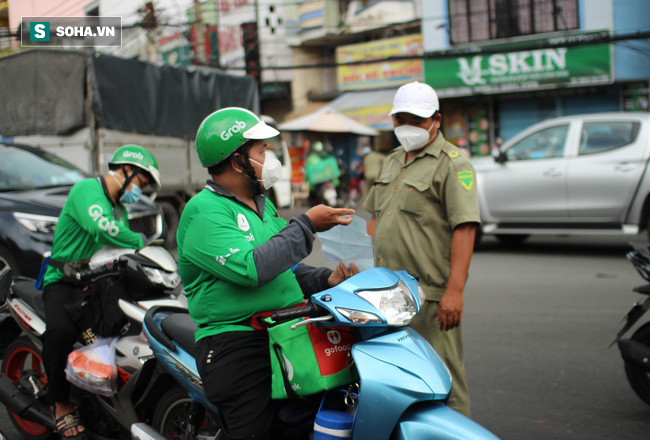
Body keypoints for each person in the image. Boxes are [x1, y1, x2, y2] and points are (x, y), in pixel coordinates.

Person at [178, 107, 358, 440]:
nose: (270, 156)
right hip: (236, 342)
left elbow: (283, 268)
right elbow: (253, 268)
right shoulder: (204, 211)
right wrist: (305, 225)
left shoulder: (263, 205)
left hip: (284, 334)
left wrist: (325, 279)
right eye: (262, 150)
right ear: (237, 161)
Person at [362, 82, 480, 417]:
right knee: (398, 374)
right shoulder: (392, 160)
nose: (407, 127)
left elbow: (465, 228)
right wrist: (361, 271)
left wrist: (455, 291)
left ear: (436, 120)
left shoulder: (453, 164)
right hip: (386, 291)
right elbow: (375, 220)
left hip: (428, 294)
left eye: (416, 119)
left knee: (444, 376)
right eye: (401, 119)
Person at [42, 144, 161, 439]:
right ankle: (60, 403)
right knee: (60, 333)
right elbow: (102, 229)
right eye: (141, 182)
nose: (140, 190)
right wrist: (140, 240)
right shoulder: (87, 191)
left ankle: (102, 404)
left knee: (110, 337)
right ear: (125, 170)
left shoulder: (119, 209)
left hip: (93, 285)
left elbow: (117, 252)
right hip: (61, 281)